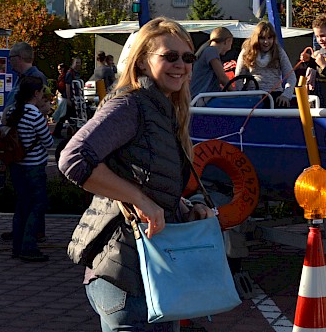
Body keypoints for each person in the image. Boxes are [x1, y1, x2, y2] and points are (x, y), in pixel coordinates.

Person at [60, 18, 215, 332]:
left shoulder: (161, 109)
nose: (181, 65)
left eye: (188, 58)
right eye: (169, 56)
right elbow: (73, 159)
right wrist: (139, 200)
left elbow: (145, 177)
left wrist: (185, 207)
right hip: (126, 276)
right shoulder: (131, 104)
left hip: (148, 273)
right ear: (143, 61)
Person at [6, 74, 53, 262]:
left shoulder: (12, 112)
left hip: (16, 166)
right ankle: (29, 246)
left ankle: (17, 246)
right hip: (34, 167)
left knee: (22, 206)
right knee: (37, 206)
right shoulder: (35, 115)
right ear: (36, 93)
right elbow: (48, 142)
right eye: (42, 92)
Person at [236, 20, 295, 105]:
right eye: (262, 38)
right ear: (256, 38)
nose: (266, 42)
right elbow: (239, 77)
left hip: (275, 95)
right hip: (252, 95)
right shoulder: (247, 51)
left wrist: (286, 95)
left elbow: (291, 76)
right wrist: (242, 96)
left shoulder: (278, 51)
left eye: (269, 38)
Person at [189, 26, 234, 97]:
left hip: (203, 96)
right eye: (231, 44)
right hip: (203, 97)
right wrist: (236, 93)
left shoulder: (207, 50)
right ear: (227, 41)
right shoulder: (211, 51)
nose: (230, 48)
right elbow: (222, 77)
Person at [4, 41, 47, 111]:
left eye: (10, 57)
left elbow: (42, 106)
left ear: (19, 58)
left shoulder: (36, 78)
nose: (9, 61)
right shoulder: (20, 77)